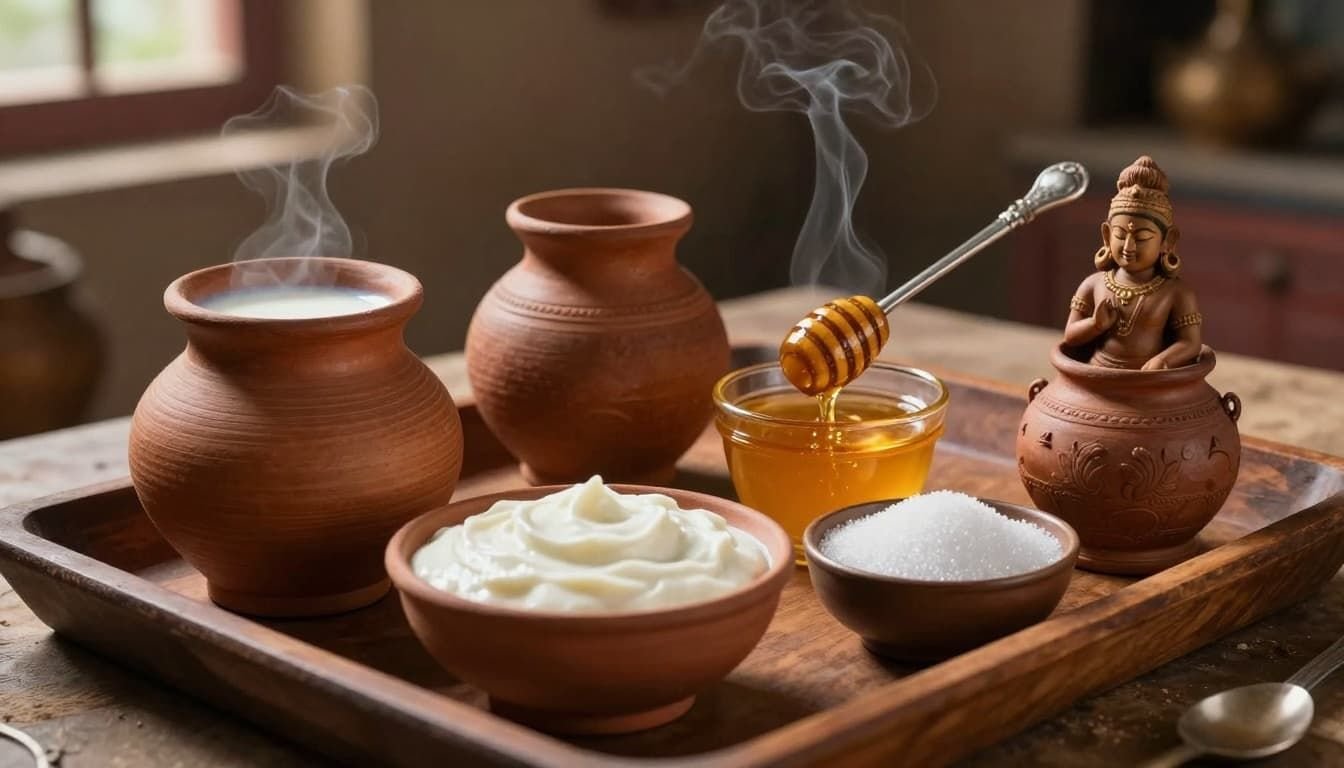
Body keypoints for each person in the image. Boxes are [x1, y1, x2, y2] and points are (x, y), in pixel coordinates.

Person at [1062, 156, 1202, 370]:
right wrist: (1095, 325)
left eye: (1142, 238)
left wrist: (1162, 360)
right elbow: (1070, 336)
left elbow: (1190, 343)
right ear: (1106, 235)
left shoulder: (1176, 293)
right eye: (1119, 235)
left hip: (1146, 380)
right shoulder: (1093, 284)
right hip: (1097, 375)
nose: (1128, 246)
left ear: (1168, 241)